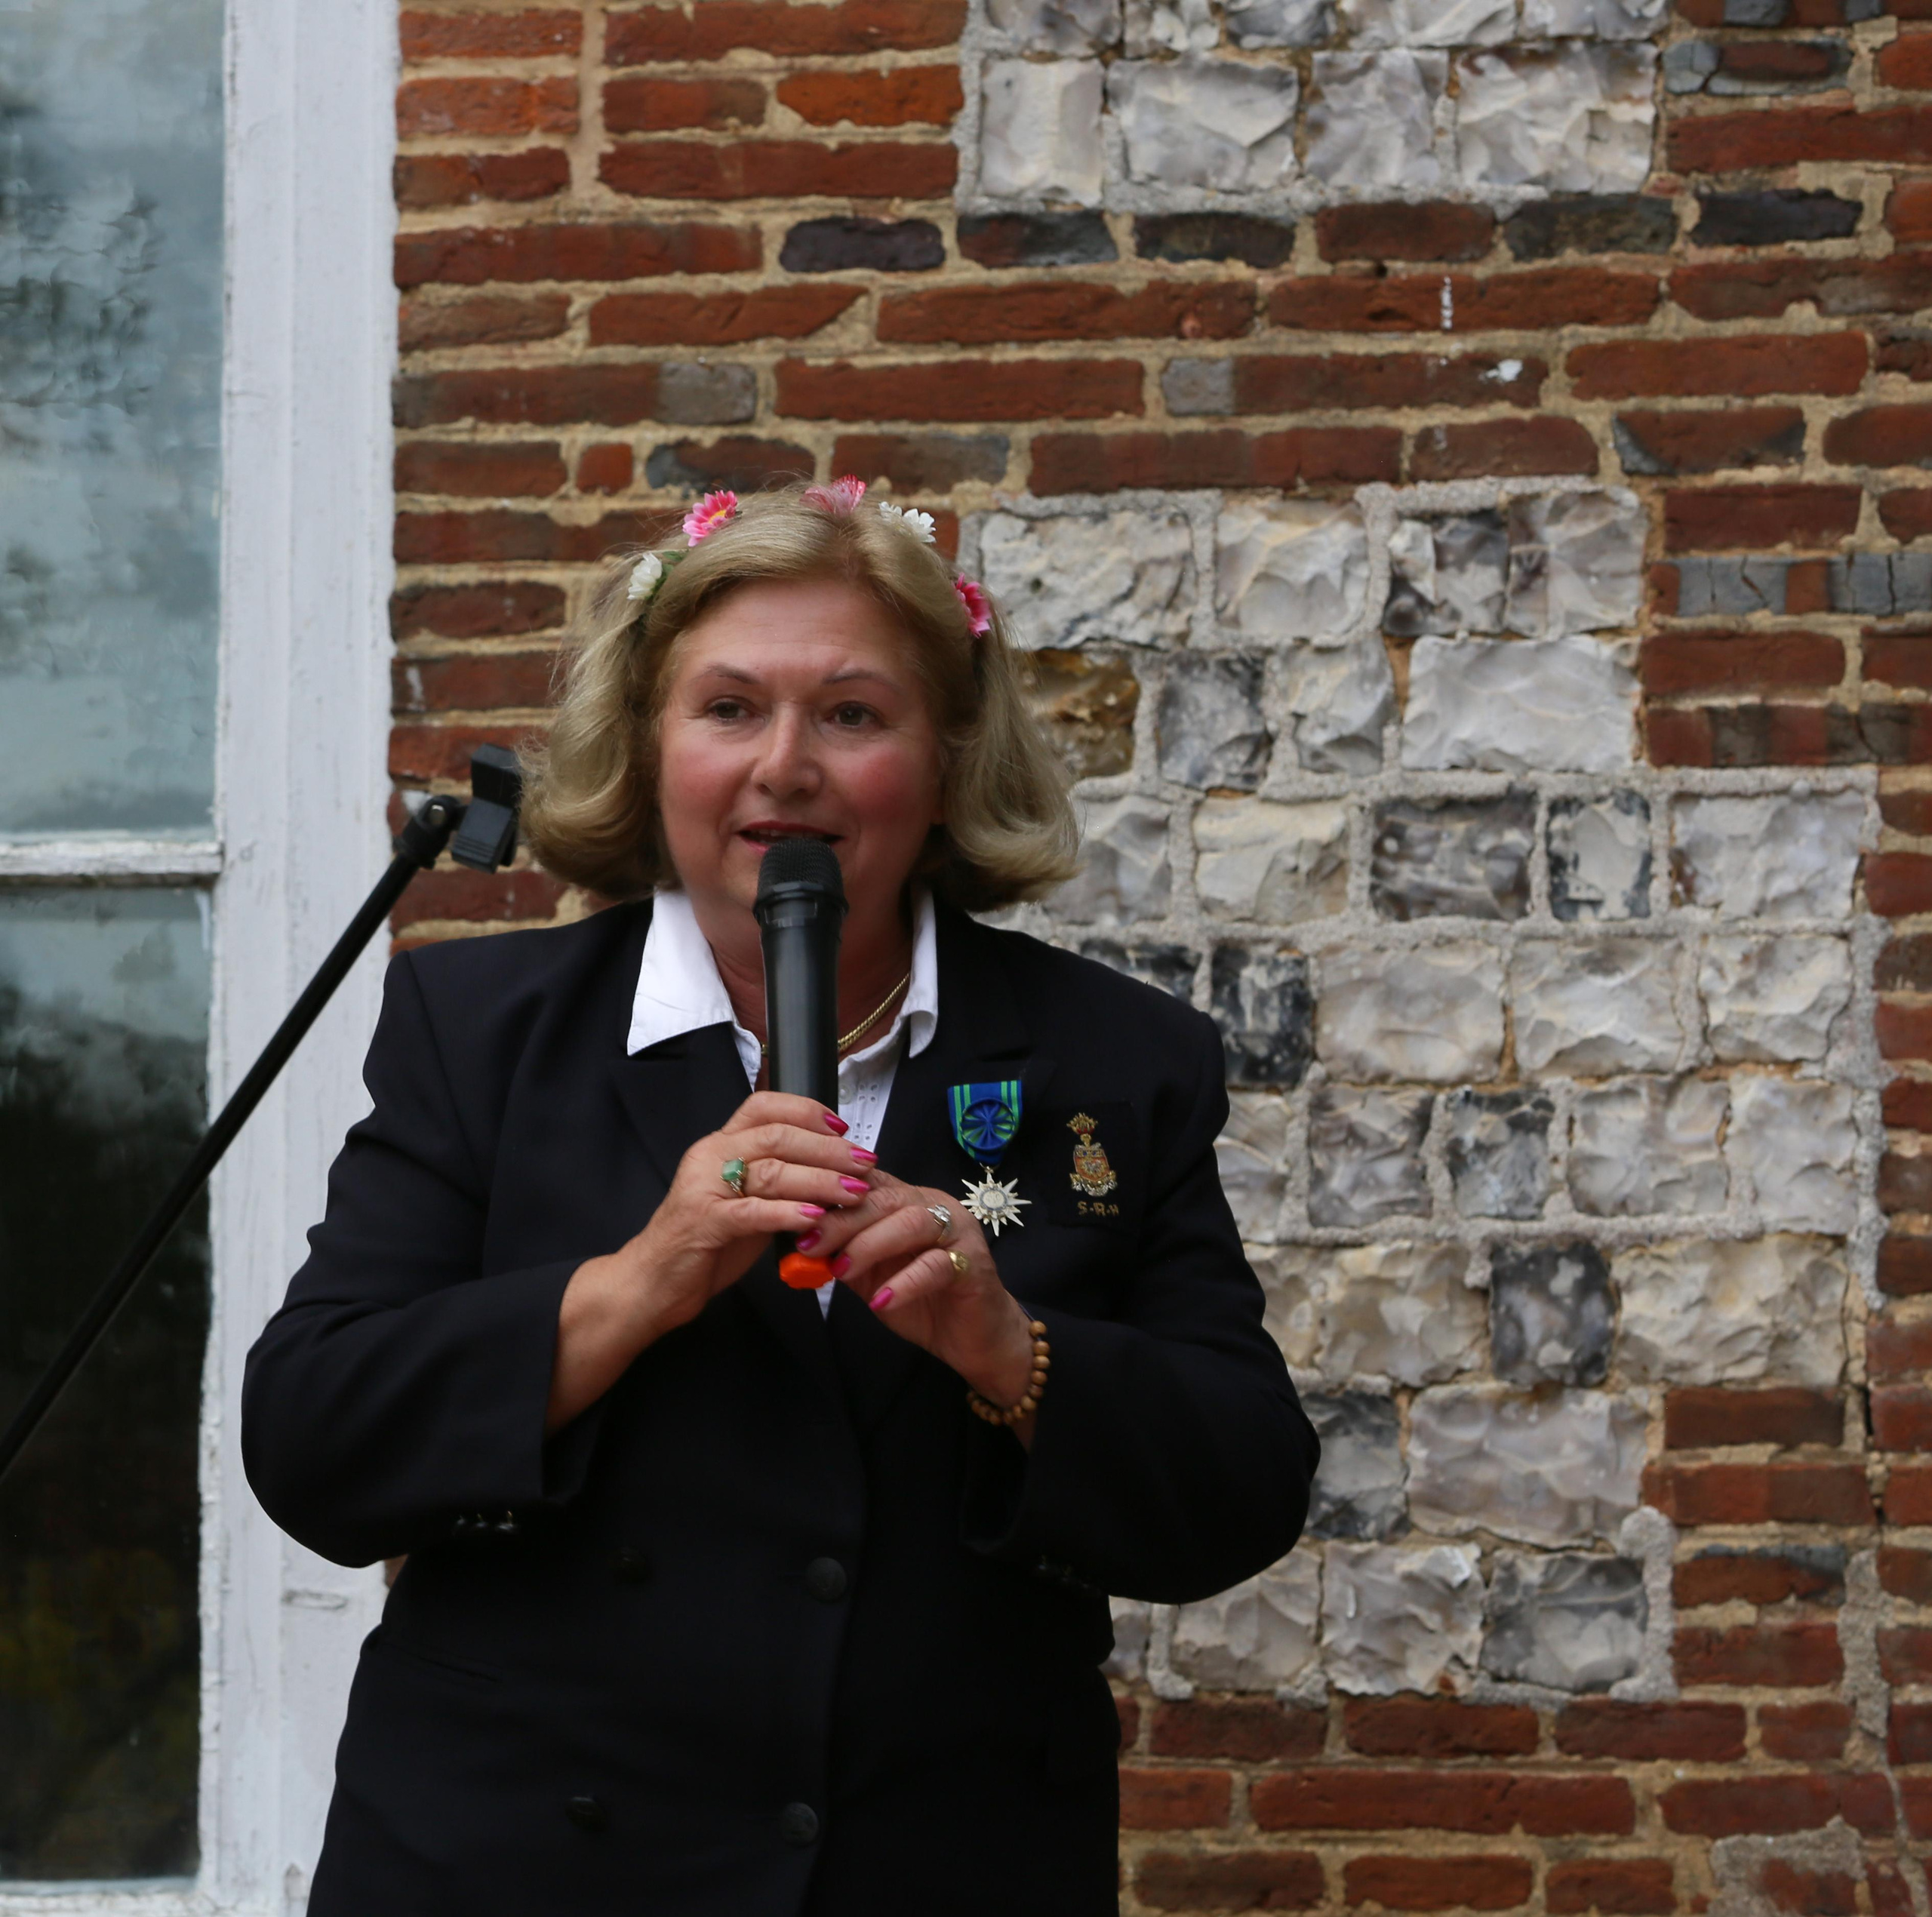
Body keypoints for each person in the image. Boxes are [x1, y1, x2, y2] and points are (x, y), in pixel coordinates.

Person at [242, 477, 1318, 1917]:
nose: (786, 768)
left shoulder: (1116, 1063)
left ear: (945, 760)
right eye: (730, 709)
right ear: (651, 744)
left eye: (853, 715)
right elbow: (315, 1439)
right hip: (514, 1866)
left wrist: (1012, 1353)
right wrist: (638, 1282)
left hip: (939, 1869)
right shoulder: (478, 1028)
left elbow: (1242, 1489)